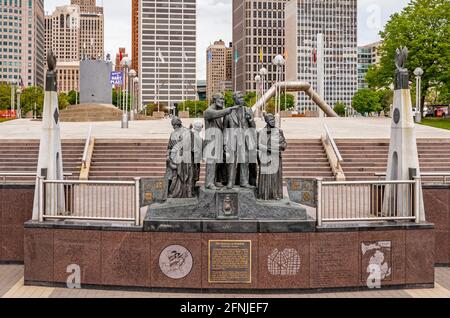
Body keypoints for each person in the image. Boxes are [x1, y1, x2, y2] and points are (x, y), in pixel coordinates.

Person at [223, 91, 257, 189]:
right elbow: (225, 129)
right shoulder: (228, 111)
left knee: (245, 160)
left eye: (243, 97)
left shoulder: (248, 110)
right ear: (234, 99)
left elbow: (253, 127)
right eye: (240, 97)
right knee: (231, 162)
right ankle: (230, 182)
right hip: (232, 140)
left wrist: (250, 119)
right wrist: (225, 143)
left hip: (245, 139)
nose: (242, 99)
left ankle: (244, 182)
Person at [203, 93, 236, 190]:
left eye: (223, 99)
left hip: (218, 141)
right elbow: (218, 114)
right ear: (214, 99)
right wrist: (229, 109)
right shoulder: (208, 111)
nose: (223, 101)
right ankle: (209, 183)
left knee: (216, 163)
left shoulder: (216, 112)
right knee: (211, 163)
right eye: (221, 99)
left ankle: (213, 181)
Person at [257, 113, 287, 200]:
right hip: (266, 157)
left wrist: (281, 146)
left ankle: (275, 194)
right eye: (271, 120)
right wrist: (268, 149)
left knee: (275, 177)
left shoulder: (279, 131)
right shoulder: (261, 132)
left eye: (274, 120)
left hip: (276, 157)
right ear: (266, 121)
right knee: (266, 178)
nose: (273, 122)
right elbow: (258, 145)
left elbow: (285, 144)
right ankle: (265, 195)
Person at [165, 117, 194, 198]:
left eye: (175, 125)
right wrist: (167, 155)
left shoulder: (186, 131)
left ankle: (186, 192)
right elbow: (169, 147)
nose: (174, 127)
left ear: (179, 124)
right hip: (174, 159)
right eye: (173, 125)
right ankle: (172, 192)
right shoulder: (172, 134)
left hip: (184, 159)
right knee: (174, 177)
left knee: (186, 176)